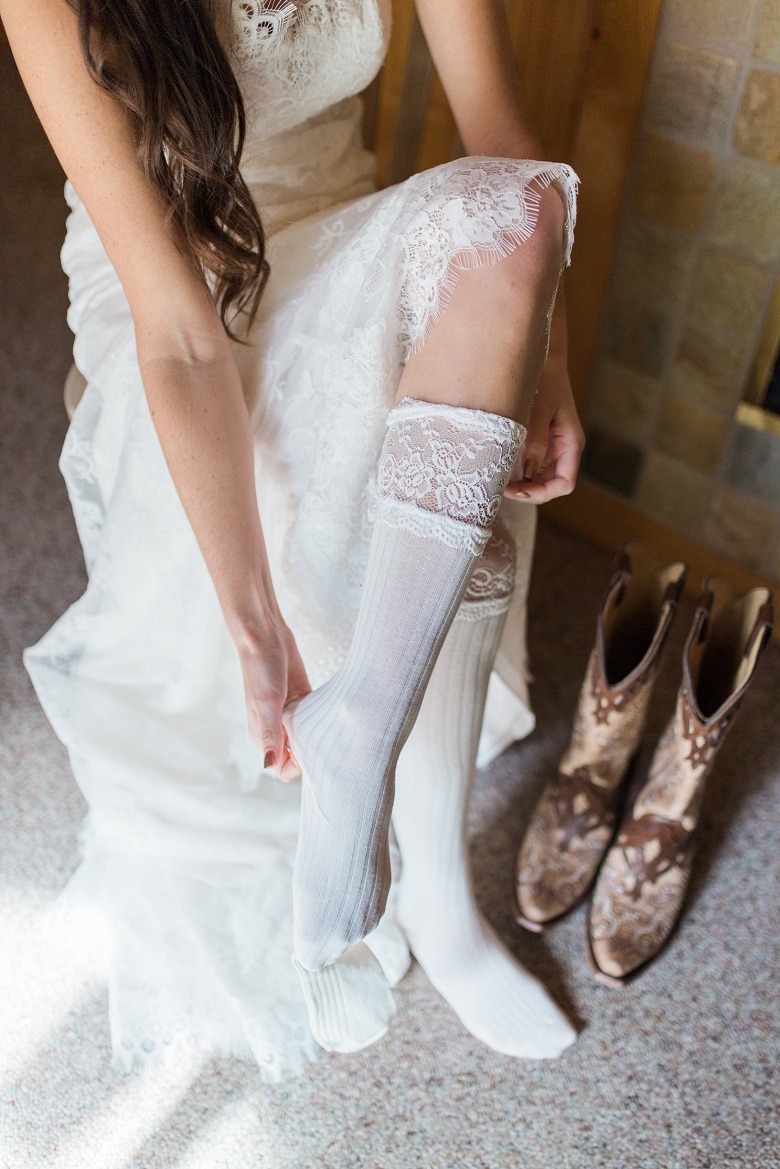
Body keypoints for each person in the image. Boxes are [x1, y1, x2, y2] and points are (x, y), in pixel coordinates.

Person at [4, 0, 584, 1075]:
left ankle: (431, 876)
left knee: (513, 219)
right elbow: (176, 333)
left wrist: (543, 361)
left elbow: (506, 143)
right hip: (177, 298)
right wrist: (254, 618)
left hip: (347, 236)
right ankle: (396, 822)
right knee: (420, 452)